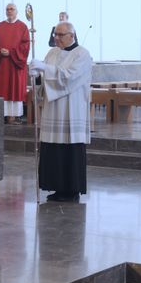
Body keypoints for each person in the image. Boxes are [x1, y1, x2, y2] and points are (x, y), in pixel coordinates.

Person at [30, 22, 93, 202]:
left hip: (71, 110)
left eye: (60, 35)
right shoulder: (52, 53)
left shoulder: (82, 54)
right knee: (53, 148)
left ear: (71, 35)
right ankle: (56, 187)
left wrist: (44, 69)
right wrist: (37, 77)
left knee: (69, 148)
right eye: (55, 34)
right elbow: (46, 77)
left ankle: (71, 189)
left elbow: (68, 77)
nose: (56, 38)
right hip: (52, 109)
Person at [0, 3, 30, 123]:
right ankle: (3, 115)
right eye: (7, 9)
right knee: (3, 88)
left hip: (15, 65)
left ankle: (14, 116)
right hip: (2, 65)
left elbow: (25, 45)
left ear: (17, 11)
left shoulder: (22, 27)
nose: (9, 11)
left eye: (12, 9)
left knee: (15, 88)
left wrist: (11, 52)